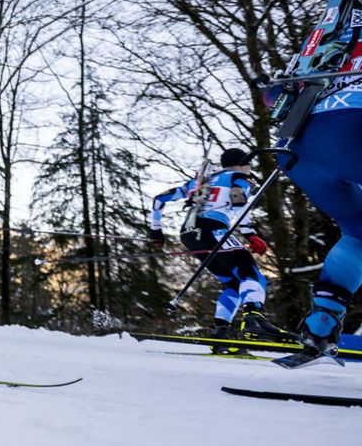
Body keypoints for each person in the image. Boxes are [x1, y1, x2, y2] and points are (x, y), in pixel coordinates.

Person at [149, 148, 289, 345]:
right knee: (252, 275)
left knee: (233, 284)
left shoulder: (201, 181)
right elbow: (239, 200)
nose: (250, 169)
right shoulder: (239, 177)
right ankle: (254, 321)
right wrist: (250, 234)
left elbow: (159, 200)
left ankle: (220, 330)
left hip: (189, 235)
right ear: (243, 164)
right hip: (213, 230)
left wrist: (156, 231)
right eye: (249, 165)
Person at [278, 64, 362, 364]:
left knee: (359, 233)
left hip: (298, 146)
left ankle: (320, 327)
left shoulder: (329, 36)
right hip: (353, 124)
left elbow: (275, 93)